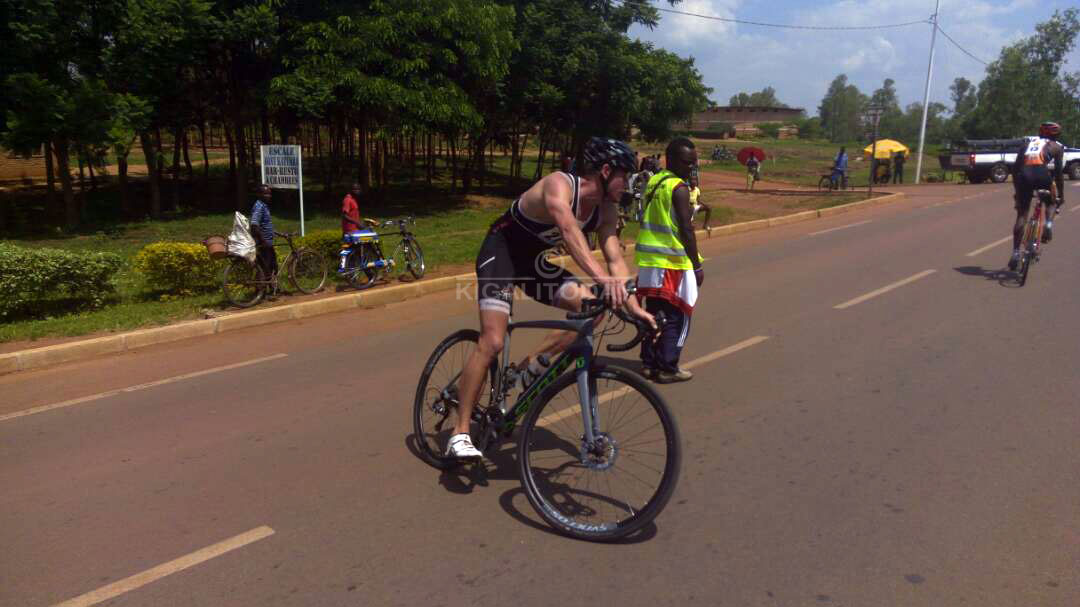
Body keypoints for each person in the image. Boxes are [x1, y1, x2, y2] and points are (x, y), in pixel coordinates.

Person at [445, 137, 655, 459]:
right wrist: (604, 282)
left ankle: (532, 364)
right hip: (501, 254)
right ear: (605, 170)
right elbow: (571, 234)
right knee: (493, 341)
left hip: (533, 266)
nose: (628, 183)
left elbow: (615, 259)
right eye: (624, 175)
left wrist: (634, 307)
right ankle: (459, 434)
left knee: (590, 310)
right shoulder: (559, 185)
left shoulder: (607, 209)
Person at [636, 137, 703, 383]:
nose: (691, 168)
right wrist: (697, 265)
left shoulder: (655, 181)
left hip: (650, 262)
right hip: (673, 263)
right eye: (687, 163)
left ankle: (649, 362)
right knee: (678, 315)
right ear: (672, 159)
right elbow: (686, 229)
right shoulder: (679, 188)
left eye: (693, 163)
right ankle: (667, 366)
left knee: (653, 313)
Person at [1008, 122, 1066, 270]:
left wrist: (1017, 191)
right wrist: (1060, 196)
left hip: (1024, 177)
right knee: (1051, 202)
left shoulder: (1026, 144)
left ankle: (1015, 253)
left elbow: (1015, 170)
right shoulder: (1057, 147)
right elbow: (1059, 175)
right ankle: (1048, 224)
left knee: (1022, 215)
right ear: (1056, 135)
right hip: (1042, 176)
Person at [250, 184, 277, 297]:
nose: (268, 196)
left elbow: (264, 225)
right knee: (265, 266)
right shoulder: (259, 206)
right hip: (263, 242)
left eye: (269, 193)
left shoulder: (264, 206)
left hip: (267, 241)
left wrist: (277, 233)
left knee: (272, 265)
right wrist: (263, 240)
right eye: (266, 193)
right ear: (259, 194)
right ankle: (260, 292)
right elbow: (254, 225)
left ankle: (271, 288)